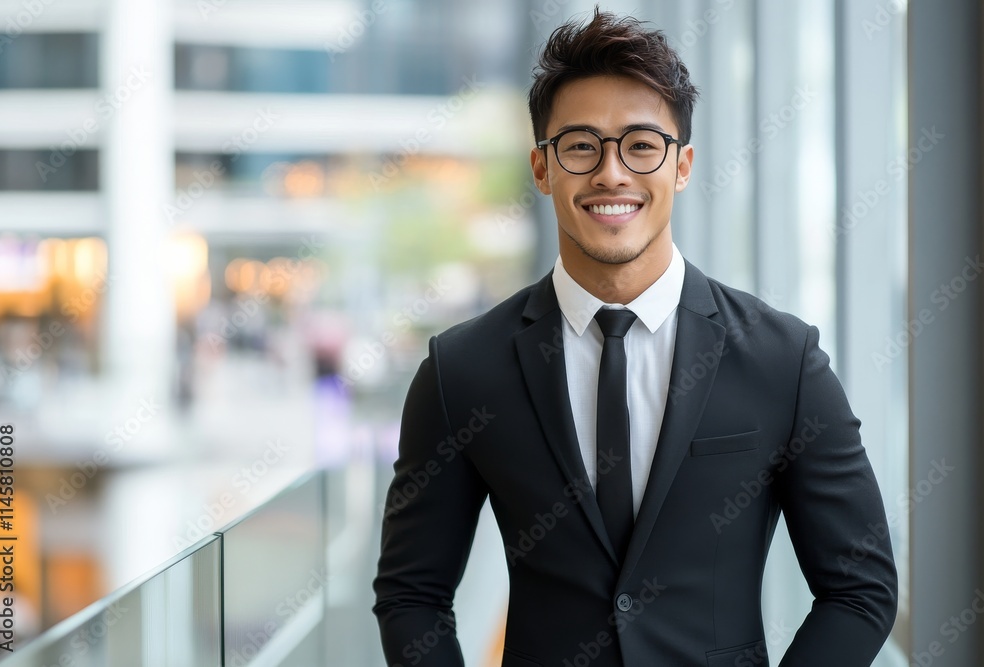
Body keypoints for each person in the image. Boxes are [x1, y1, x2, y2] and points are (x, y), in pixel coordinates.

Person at [372, 7, 897, 666]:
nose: (612, 173)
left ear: (682, 165)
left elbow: (860, 588)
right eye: (580, 145)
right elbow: (412, 593)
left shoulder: (782, 360)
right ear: (542, 168)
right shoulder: (462, 369)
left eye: (642, 145)